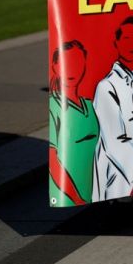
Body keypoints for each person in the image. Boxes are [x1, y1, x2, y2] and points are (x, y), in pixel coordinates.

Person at [92, 16, 133, 201]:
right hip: (117, 170)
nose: (132, 44)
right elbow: (113, 138)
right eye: (126, 39)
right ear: (117, 43)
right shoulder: (106, 86)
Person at [48, 40, 99, 207]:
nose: (72, 69)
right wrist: (76, 198)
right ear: (55, 66)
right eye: (66, 62)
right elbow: (54, 161)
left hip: (99, 192)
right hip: (74, 198)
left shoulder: (90, 106)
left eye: (77, 62)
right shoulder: (55, 107)